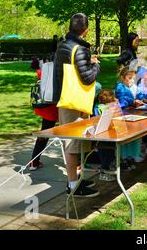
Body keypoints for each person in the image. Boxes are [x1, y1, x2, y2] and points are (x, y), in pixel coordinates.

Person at [53, 13, 101, 198]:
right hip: (75, 103)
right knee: (73, 145)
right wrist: (96, 65)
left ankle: (76, 179)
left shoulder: (62, 46)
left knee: (76, 143)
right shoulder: (79, 49)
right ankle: (73, 184)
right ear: (86, 30)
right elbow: (88, 77)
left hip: (65, 99)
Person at [29, 59, 59, 171]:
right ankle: (34, 161)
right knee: (45, 134)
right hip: (53, 106)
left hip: (46, 106)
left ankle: (34, 161)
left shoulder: (43, 69)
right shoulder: (55, 69)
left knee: (44, 134)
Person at [115, 67, 144, 168]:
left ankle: (132, 155)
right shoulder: (120, 87)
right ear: (123, 78)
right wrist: (132, 101)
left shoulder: (133, 86)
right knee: (125, 137)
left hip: (132, 113)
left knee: (134, 135)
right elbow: (122, 101)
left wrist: (140, 99)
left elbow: (139, 94)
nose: (132, 80)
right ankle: (124, 157)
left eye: (133, 78)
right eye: (129, 78)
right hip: (123, 115)